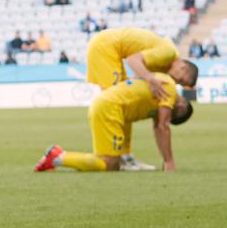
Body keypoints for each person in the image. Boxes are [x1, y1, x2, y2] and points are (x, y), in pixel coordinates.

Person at [83, 27, 198, 171]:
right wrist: (149, 78)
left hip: (110, 49)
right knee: (116, 101)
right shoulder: (168, 54)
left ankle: (125, 156)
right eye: (180, 79)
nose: (174, 81)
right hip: (105, 48)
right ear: (182, 66)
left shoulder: (164, 63)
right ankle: (123, 157)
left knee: (123, 103)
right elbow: (133, 60)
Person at [35, 75, 192, 172]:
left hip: (108, 105)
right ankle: (58, 157)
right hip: (109, 109)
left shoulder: (160, 82)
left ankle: (124, 159)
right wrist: (169, 161)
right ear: (180, 106)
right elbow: (162, 126)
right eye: (173, 114)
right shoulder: (169, 92)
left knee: (114, 162)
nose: (165, 115)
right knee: (108, 164)